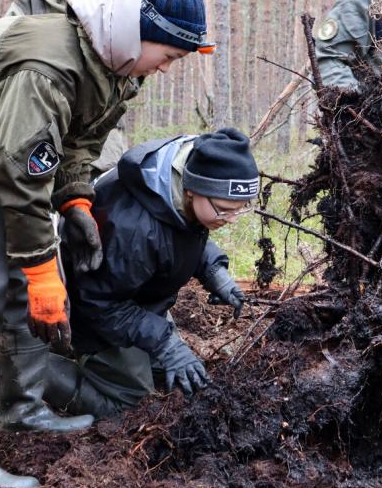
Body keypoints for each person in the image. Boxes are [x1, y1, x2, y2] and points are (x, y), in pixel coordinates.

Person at [0, 0, 212, 488]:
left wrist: (75, 199)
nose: (167, 67)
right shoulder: (50, 64)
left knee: (25, 285)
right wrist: (43, 267)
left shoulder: (115, 65)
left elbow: (80, 141)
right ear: (139, 33)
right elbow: (21, 171)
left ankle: (24, 410)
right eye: (170, 55)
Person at [42, 128, 256, 418]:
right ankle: (30, 370)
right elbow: (100, 304)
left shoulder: (178, 191)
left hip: (133, 299)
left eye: (239, 210)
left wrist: (214, 270)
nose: (230, 219)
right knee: (130, 405)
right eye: (224, 210)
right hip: (92, 311)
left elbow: (184, 234)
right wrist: (166, 344)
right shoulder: (134, 230)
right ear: (193, 188)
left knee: (175, 380)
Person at [6, 0, 125, 174]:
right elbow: (4, 51)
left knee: (98, 197)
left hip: (96, 130)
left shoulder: (111, 4)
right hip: (40, 118)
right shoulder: (31, 1)